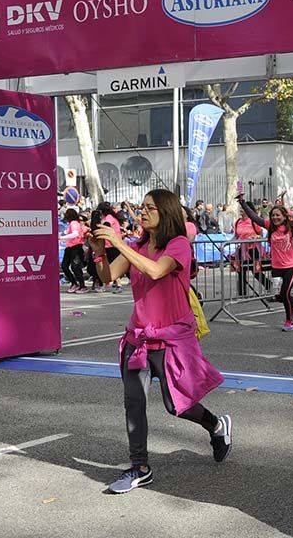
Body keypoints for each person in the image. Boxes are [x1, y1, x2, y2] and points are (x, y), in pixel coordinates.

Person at [88, 189, 232, 494]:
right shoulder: (138, 245)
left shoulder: (179, 246)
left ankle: (216, 425)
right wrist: (100, 251)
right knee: (134, 404)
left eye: (149, 208)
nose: (142, 212)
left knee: (175, 406)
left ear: (164, 212)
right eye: (141, 208)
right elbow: (107, 276)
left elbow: (154, 270)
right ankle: (139, 466)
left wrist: (118, 243)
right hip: (137, 339)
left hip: (170, 341)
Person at [237, 192, 293, 331]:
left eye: (278, 215)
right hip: (277, 266)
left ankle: (290, 321)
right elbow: (254, 217)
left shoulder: (292, 226)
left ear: (284, 216)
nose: (275, 217)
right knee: (278, 296)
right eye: (273, 215)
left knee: (285, 293)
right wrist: (242, 202)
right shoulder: (269, 226)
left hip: (291, 265)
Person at [231, 202, 271, 298]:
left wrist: (255, 237)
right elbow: (236, 236)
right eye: (240, 208)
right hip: (242, 250)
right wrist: (224, 245)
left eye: (243, 208)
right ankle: (242, 293)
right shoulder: (238, 222)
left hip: (253, 249)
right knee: (240, 271)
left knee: (256, 271)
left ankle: (268, 285)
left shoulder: (253, 221)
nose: (241, 209)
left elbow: (261, 234)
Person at [60, 209, 89, 293]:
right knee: (65, 266)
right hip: (69, 247)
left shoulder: (74, 223)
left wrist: (62, 238)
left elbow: (75, 234)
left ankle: (82, 285)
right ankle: (74, 283)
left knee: (75, 267)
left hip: (76, 247)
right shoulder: (72, 224)